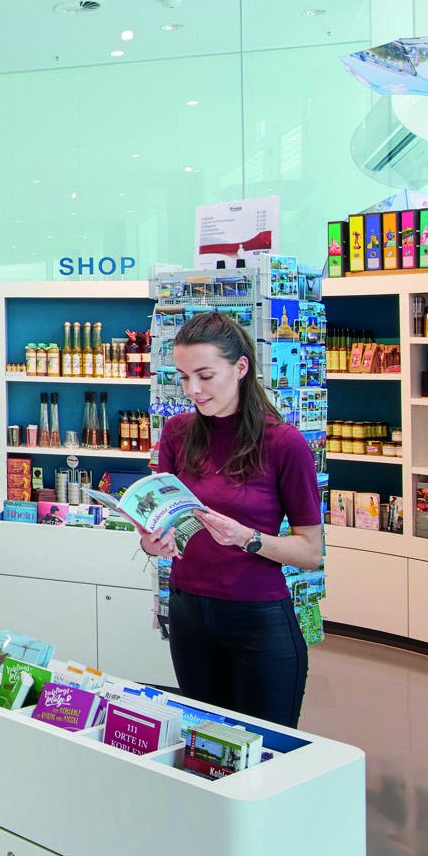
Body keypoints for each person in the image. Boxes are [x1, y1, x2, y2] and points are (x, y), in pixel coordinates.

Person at [136, 311, 323, 726]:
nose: (193, 390)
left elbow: (311, 552)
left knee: (264, 748)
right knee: (203, 744)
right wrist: (152, 542)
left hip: (257, 619)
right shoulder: (177, 433)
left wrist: (247, 538)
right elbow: (159, 526)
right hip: (188, 613)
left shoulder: (284, 443)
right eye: (184, 377)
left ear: (240, 368)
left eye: (205, 376)